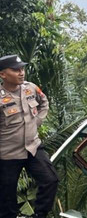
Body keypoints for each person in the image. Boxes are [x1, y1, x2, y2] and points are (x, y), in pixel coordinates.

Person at [0, 55, 59, 218]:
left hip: (33, 148)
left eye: (22, 69)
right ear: (3, 74)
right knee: (6, 194)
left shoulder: (31, 88)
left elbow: (44, 102)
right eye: (15, 70)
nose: (21, 73)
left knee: (50, 180)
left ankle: (39, 215)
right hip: (8, 154)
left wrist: (37, 121)